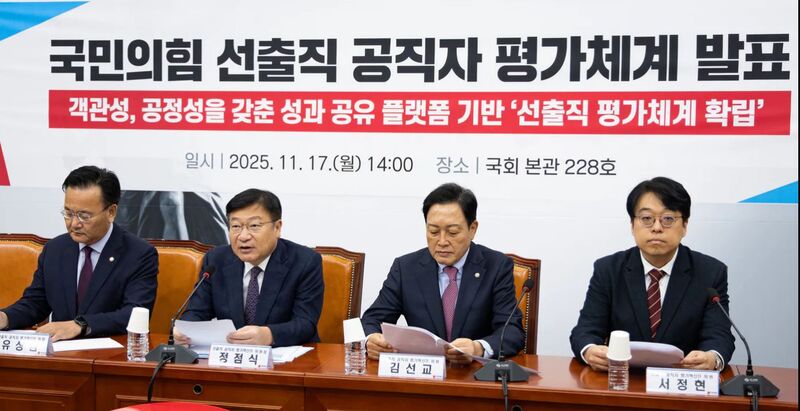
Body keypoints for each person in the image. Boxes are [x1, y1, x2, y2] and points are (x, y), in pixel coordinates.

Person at [570, 176, 735, 371]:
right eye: (647, 218)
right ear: (632, 225)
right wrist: (590, 351)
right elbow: (585, 331)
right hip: (623, 378)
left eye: (668, 219)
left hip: (681, 380)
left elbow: (719, 336)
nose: (657, 228)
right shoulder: (608, 270)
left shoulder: (710, 272)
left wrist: (711, 357)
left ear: (684, 226)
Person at [361, 183, 524, 364]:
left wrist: (478, 348)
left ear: (472, 229)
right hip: (423, 372)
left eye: (452, 232)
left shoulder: (496, 267)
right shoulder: (406, 268)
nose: (442, 241)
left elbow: (512, 331)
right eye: (433, 231)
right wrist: (371, 339)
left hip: (474, 373)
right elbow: (371, 320)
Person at [0, 166, 158, 341]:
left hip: (109, 351)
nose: (74, 223)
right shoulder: (55, 249)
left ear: (111, 212)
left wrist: (81, 325)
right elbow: (36, 303)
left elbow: (134, 314)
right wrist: (5, 317)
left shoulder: (139, 254)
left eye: (84, 216)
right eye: (68, 213)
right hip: (59, 351)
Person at [176, 188, 324, 347]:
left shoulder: (304, 262)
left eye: (254, 225)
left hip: (289, 356)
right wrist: (184, 331)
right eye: (236, 226)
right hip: (232, 356)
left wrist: (270, 335)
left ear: (277, 228)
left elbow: (305, 323)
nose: (243, 236)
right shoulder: (216, 260)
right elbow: (197, 312)